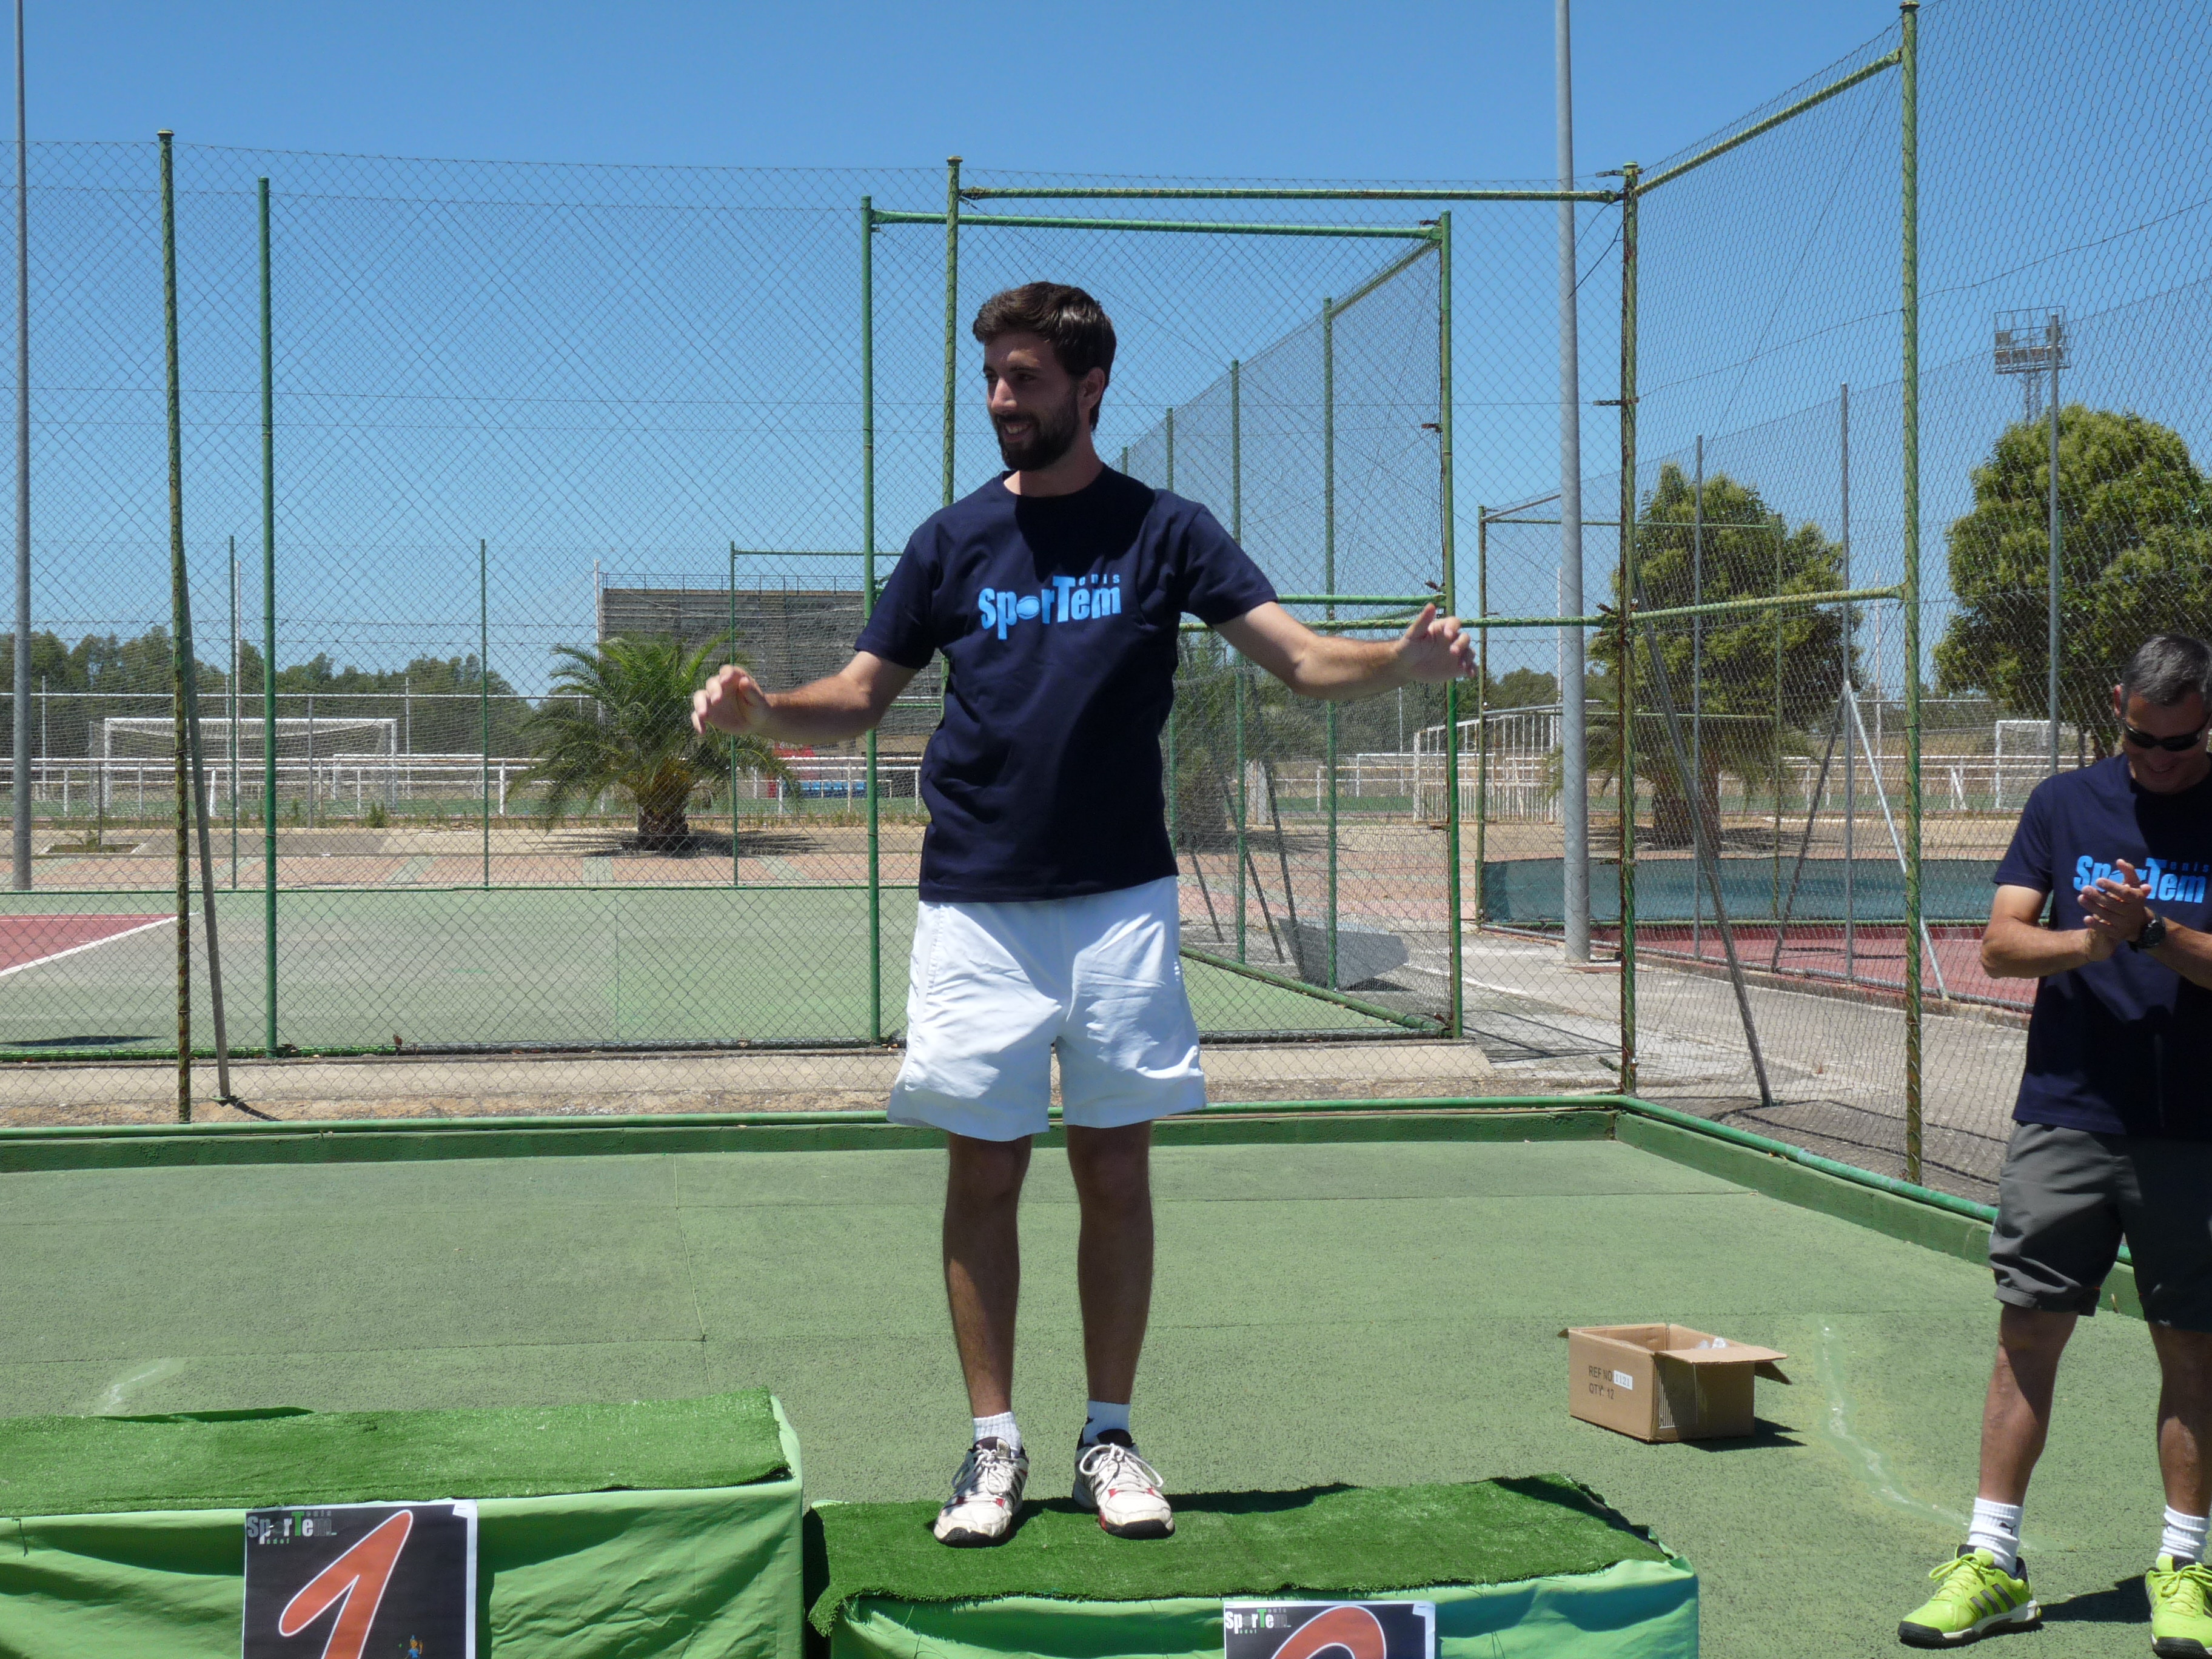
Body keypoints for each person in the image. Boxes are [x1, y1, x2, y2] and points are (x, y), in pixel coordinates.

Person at [694, 281, 1472, 1546]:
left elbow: (1301, 658)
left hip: (1121, 906)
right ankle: (992, 1446)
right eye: (993, 377)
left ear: (1090, 387)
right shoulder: (951, 543)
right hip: (977, 907)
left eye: (1026, 378)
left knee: (1114, 1168)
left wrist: (1400, 662)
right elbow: (858, 694)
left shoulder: (1166, 532)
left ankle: (1109, 1436)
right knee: (984, 1168)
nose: (1002, 398)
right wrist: (762, 713)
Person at [1899, 634, 2212, 1651]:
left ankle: (2185, 1569)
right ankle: (1992, 1563)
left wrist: (2156, 933)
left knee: (2193, 1346)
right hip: (2066, 1114)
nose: (2160, 760)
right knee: (2027, 1333)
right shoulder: (2062, 805)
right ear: (2118, 707)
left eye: (2183, 743)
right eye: (2143, 739)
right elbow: (1999, 944)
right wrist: (2093, 940)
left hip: (2193, 1132)